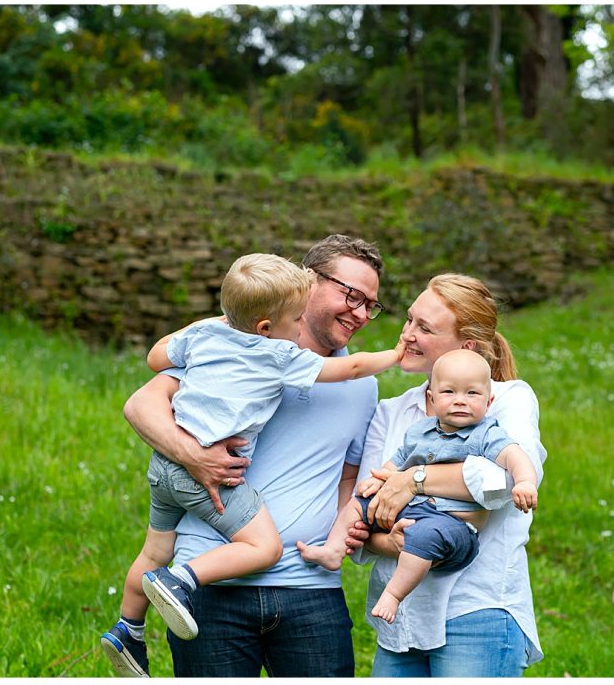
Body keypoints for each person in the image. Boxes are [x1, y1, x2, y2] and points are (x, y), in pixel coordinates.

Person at [101, 252, 403, 677]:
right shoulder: (230, 347)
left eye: (370, 304)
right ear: (309, 281)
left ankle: (128, 627)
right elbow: (140, 403)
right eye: (350, 294)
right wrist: (194, 455)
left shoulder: (362, 387)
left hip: (310, 591)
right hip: (210, 588)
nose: (360, 312)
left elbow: (348, 475)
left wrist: (343, 531)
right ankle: (138, 618)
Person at [348, 273, 547, 677]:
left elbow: (505, 482)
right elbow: (364, 517)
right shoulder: (393, 411)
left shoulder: (505, 400)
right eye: (408, 321)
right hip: (398, 620)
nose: (407, 335)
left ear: (467, 347)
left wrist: (412, 479)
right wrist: (395, 540)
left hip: (476, 611)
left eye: (425, 328)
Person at [298, 349, 537, 624]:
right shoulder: (419, 432)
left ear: (488, 400)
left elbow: (515, 456)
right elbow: (395, 463)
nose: (461, 401)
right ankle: (333, 550)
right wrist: (377, 480)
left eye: (472, 394)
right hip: (411, 512)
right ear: (432, 399)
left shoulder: (486, 434)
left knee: (424, 536)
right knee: (360, 502)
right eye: (449, 393)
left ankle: (394, 595)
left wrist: (525, 481)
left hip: (453, 524)